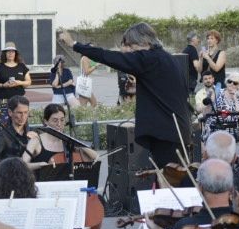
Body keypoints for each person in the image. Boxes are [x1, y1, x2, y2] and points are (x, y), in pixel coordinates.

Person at [66, 24, 192, 173]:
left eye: (131, 46)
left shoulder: (148, 58)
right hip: (177, 130)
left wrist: (74, 45)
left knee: (167, 179)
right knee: (173, 177)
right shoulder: (168, 58)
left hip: (165, 134)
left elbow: (109, 56)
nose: (130, 51)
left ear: (143, 42)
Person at [0, 44, 33, 109]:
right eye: (8, 51)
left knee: (19, 115)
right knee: (2, 116)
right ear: (5, 54)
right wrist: (3, 85)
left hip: (19, 100)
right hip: (2, 99)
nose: (10, 53)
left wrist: (19, 82)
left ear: (15, 53)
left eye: (12, 51)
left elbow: (28, 82)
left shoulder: (22, 66)